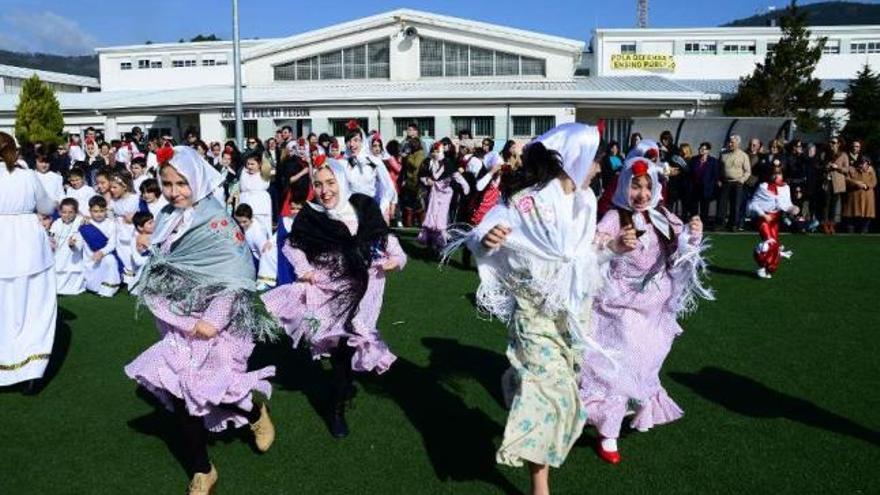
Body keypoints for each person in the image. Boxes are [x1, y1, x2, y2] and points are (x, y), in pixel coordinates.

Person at [450, 123, 627, 495]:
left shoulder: (586, 201)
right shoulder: (527, 199)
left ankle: (517, 387)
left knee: (562, 394)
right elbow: (490, 229)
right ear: (576, 160)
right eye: (595, 161)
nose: (598, 168)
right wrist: (490, 238)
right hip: (534, 312)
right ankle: (539, 486)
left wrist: (614, 250)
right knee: (549, 394)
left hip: (574, 314)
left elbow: (583, 258)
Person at [124, 146, 279, 495]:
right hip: (179, 322)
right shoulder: (165, 214)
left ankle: (254, 413)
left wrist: (213, 320)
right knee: (182, 395)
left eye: (182, 183)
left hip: (213, 324)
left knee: (215, 388)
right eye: (167, 183)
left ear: (196, 179)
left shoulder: (217, 221)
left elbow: (238, 272)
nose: (175, 191)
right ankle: (202, 469)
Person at [579, 157, 712, 464]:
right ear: (625, 186)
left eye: (647, 187)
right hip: (618, 304)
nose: (640, 193)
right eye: (635, 186)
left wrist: (693, 234)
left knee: (645, 362)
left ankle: (623, 407)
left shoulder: (663, 216)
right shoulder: (614, 216)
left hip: (655, 304)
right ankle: (608, 432)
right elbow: (591, 253)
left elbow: (682, 254)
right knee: (618, 366)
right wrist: (614, 244)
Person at [262, 162, 406, 439]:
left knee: (353, 344)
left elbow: (384, 239)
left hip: (364, 288)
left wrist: (396, 259)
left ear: (341, 180)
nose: (324, 190)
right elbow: (292, 246)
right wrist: (304, 269)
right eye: (318, 184)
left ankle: (342, 389)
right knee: (341, 348)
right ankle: (337, 408)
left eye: (330, 182)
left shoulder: (363, 207)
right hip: (329, 289)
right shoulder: (311, 216)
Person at [0, 132, 57, 392]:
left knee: (5, 309)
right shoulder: (28, 175)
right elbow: (46, 207)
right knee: (34, 307)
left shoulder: (26, 174)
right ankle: (30, 370)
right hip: (29, 247)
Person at [748, 161, 799, 279]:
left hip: (775, 220)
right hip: (764, 219)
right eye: (774, 173)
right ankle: (760, 261)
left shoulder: (786, 187)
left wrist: (793, 209)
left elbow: (787, 205)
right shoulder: (763, 187)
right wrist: (764, 215)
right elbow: (753, 204)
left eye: (779, 173)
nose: (777, 176)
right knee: (769, 243)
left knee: (775, 247)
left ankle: (768, 268)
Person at [418, 142, 470, 251]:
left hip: (445, 193)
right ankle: (430, 243)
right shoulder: (428, 162)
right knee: (432, 215)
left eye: (437, 151)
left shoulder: (447, 163)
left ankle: (440, 243)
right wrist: (427, 181)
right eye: (433, 151)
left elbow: (456, 175)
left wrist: (465, 185)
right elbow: (422, 176)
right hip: (433, 193)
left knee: (441, 217)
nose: (435, 153)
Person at [340, 124, 397, 223]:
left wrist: (383, 207)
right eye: (349, 141)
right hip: (350, 212)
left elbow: (388, 186)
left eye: (356, 140)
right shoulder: (342, 164)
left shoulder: (374, 162)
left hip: (370, 209)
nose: (352, 144)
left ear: (362, 141)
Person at [80, 196, 122, 298]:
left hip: (105, 254)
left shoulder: (111, 223)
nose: (99, 214)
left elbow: (112, 244)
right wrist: (73, 242)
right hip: (90, 258)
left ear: (106, 210)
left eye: (102, 211)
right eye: (95, 211)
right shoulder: (86, 224)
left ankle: (108, 290)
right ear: (90, 211)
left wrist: (102, 252)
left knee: (110, 260)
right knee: (92, 285)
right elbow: (79, 240)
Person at [233, 203, 276, 290]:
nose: (241, 224)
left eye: (244, 221)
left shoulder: (257, 232)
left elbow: (264, 254)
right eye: (239, 222)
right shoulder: (245, 226)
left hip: (258, 259)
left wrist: (262, 276)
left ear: (251, 218)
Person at [109, 172, 141, 287]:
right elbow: (111, 213)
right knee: (121, 253)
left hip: (131, 230)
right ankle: (125, 277)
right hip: (118, 229)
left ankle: (134, 278)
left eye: (114, 187)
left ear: (124, 186)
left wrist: (133, 217)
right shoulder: (113, 201)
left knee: (131, 253)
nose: (112, 190)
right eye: (111, 187)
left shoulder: (134, 199)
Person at [50, 198, 86, 295]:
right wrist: (52, 242)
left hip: (73, 252)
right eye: (64, 212)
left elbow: (80, 237)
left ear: (76, 212)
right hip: (58, 251)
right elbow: (51, 236)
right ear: (60, 212)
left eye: (71, 212)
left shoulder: (79, 222)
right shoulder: (56, 223)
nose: (67, 215)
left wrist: (73, 244)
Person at [716, 135, 751, 231]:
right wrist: (719, 179)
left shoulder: (743, 155)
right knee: (722, 204)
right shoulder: (723, 154)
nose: (730, 144)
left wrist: (742, 179)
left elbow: (747, 171)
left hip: (737, 183)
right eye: (729, 142)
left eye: (732, 142)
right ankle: (720, 224)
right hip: (725, 182)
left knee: (735, 205)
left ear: (738, 143)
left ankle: (733, 224)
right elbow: (719, 168)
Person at [819, 136, 851, 234]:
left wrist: (837, 167)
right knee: (826, 203)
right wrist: (826, 167)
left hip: (837, 182)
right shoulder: (825, 154)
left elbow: (847, 169)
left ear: (838, 144)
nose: (831, 144)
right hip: (827, 181)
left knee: (834, 204)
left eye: (833, 142)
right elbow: (819, 166)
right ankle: (824, 224)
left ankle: (831, 224)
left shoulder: (843, 155)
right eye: (830, 142)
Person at [239, 154, 274, 229]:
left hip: (260, 209)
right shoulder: (244, 173)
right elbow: (243, 188)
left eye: (252, 164)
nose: (249, 166)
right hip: (246, 207)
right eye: (248, 164)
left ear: (259, 164)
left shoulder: (263, 175)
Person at [843, 156, 876, 233]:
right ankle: (850, 229)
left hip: (867, 196)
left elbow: (874, 182)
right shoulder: (852, 170)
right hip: (854, 196)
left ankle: (864, 229)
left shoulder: (871, 171)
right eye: (861, 162)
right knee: (852, 214)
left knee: (867, 214)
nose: (862, 164)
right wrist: (856, 183)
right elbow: (846, 179)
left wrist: (866, 185)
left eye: (864, 162)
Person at [687, 142, 718, 224]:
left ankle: (704, 223)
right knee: (694, 207)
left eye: (703, 149)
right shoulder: (694, 159)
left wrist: (711, 186)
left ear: (708, 151)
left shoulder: (713, 161)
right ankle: (694, 223)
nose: (701, 150)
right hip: (695, 187)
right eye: (700, 148)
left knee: (705, 207)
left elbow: (715, 175)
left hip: (706, 188)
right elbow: (690, 174)